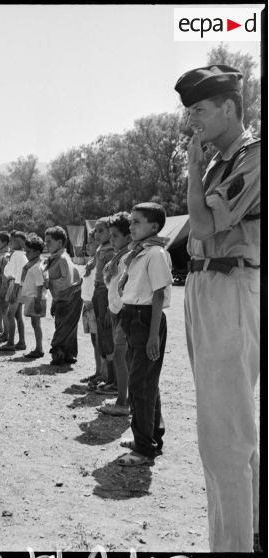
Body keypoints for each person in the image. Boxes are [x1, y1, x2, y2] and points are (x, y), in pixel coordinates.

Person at [175, 65, 261, 552]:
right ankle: (246, 534)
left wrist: (191, 169)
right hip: (207, 285)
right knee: (228, 423)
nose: (194, 121)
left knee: (223, 434)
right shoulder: (220, 160)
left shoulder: (252, 156)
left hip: (231, 283)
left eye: (201, 111)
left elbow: (204, 227)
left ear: (229, 108)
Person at [117, 202, 172, 467]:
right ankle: (149, 437)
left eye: (136, 221)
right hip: (133, 317)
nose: (131, 226)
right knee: (146, 382)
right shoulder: (139, 252)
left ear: (153, 226)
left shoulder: (155, 253)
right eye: (131, 221)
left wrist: (154, 336)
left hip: (146, 318)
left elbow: (159, 294)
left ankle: (143, 449)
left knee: (140, 385)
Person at [99, 212, 132, 416]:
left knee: (122, 359)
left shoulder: (127, 257)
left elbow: (123, 288)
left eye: (115, 236)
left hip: (123, 312)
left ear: (128, 237)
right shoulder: (120, 255)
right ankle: (123, 397)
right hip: (117, 311)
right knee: (121, 358)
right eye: (110, 235)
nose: (111, 240)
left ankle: (122, 402)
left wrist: (114, 310)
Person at [44, 226, 82, 366]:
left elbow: (65, 282)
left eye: (49, 241)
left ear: (60, 243)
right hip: (63, 296)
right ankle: (67, 353)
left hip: (71, 295)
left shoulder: (62, 259)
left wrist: (47, 281)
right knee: (63, 323)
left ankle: (58, 351)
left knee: (65, 325)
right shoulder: (54, 258)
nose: (46, 244)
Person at [91, 217, 116, 391]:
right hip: (98, 291)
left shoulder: (111, 252)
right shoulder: (101, 250)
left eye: (101, 230)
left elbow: (113, 282)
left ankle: (113, 380)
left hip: (105, 293)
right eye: (95, 230)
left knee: (108, 337)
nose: (96, 234)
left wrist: (109, 305)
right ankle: (106, 375)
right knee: (101, 336)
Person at [80, 230, 104, 385]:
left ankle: (105, 373)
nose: (87, 245)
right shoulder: (91, 261)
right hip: (87, 305)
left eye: (91, 242)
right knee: (95, 341)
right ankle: (98, 371)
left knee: (102, 342)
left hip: (96, 305)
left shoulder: (101, 261)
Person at [0, 231, 28, 352]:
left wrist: (14, 292)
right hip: (15, 284)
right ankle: (21, 342)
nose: (10, 242)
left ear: (20, 242)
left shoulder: (18, 256)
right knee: (17, 315)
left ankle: (11, 342)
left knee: (10, 314)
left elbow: (19, 275)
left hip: (16, 285)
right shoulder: (17, 254)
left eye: (13, 240)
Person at [20, 234, 47, 359]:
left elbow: (40, 284)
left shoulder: (37, 267)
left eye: (29, 252)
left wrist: (37, 301)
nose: (26, 254)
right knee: (34, 323)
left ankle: (39, 348)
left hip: (36, 298)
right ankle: (38, 347)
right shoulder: (32, 264)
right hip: (33, 297)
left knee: (36, 324)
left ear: (37, 252)